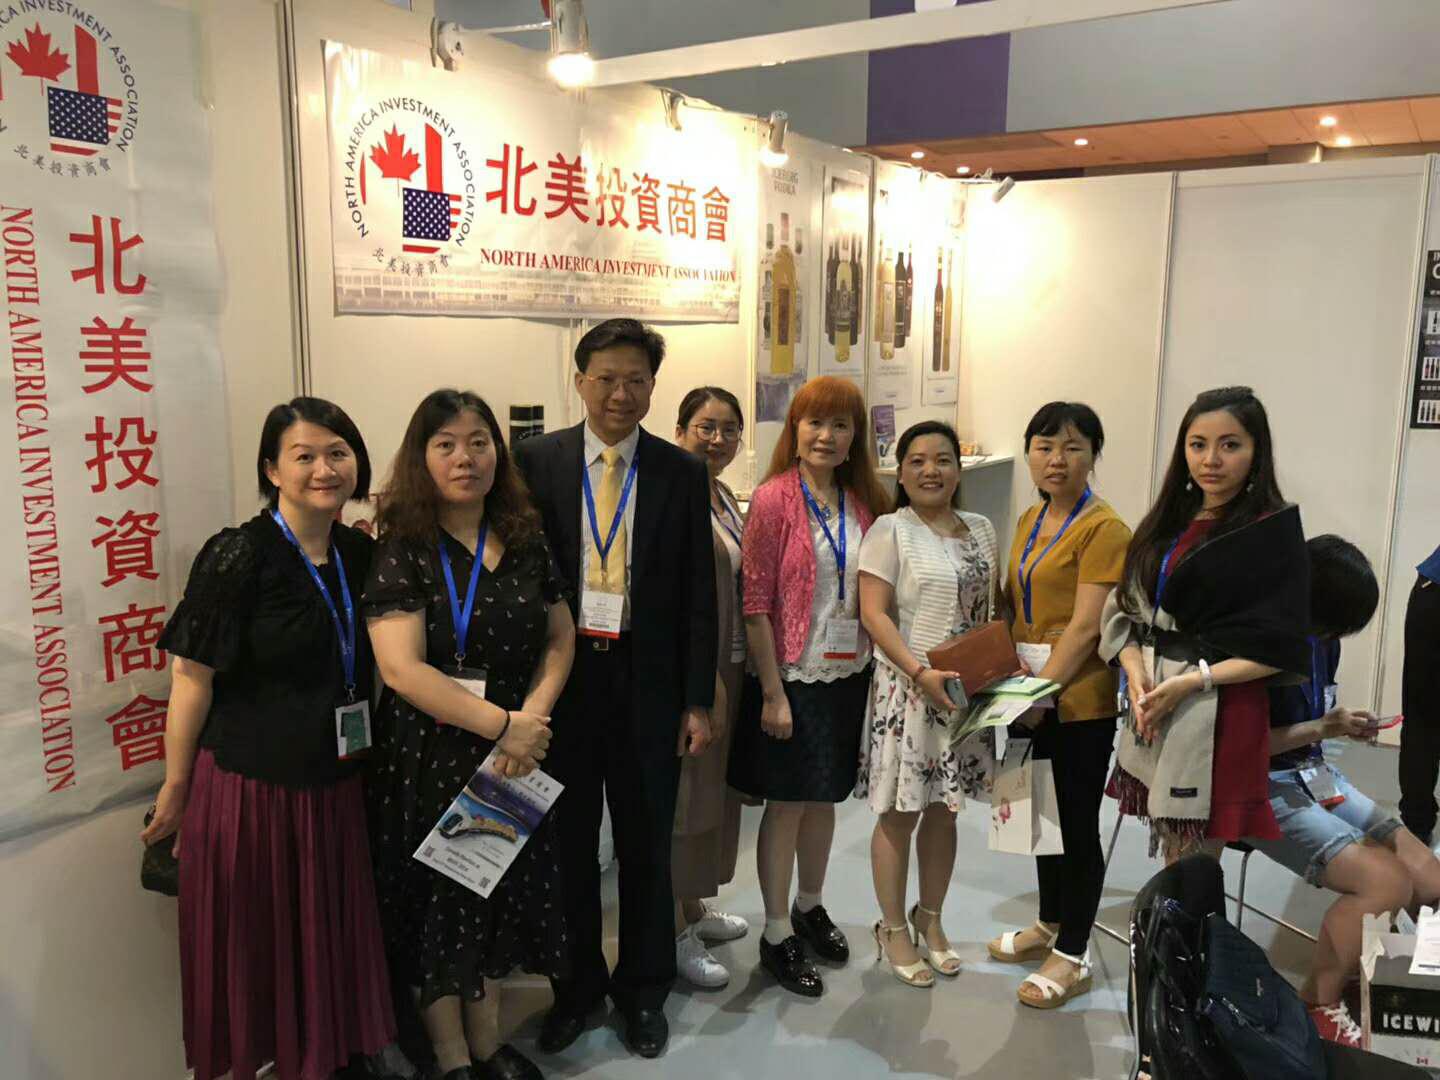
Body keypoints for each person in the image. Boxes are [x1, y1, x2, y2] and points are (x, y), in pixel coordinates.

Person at [141, 397, 397, 1080]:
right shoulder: (238, 554)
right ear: (272, 470)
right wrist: (177, 786)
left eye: (337, 453)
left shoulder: (360, 553)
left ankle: (325, 1061)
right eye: (304, 456)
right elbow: (191, 677)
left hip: (335, 786)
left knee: (322, 942)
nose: (324, 469)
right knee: (262, 947)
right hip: (253, 791)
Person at [513, 319, 716, 1060]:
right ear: (580, 381)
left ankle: (643, 991)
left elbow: (699, 591)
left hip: (647, 680)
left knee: (645, 844)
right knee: (566, 846)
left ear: (653, 387)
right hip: (563, 679)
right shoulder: (535, 462)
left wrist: (697, 699)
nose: (621, 394)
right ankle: (574, 991)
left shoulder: (680, 471)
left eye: (636, 380)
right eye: (606, 379)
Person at [364, 390, 574, 1080]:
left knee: (491, 895)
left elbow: (560, 636)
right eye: (446, 444)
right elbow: (401, 669)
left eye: (479, 442)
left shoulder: (524, 537)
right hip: (432, 752)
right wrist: (503, 726)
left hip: (513, 753)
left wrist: (531, 719)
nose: (465, 458)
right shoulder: (403, 547)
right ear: (421, 458)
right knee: (440, 906)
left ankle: (487, 1045)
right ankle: (452, 1057)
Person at [1101, 386, 1310, 862]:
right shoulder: (1168, 521)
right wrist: (1134, 670)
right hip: (1157, 697)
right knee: (1173, 853)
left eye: (1230, 445)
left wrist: (1193, 681)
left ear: (1257, 451)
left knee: (1193, 862)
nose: (1210, 459)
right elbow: (1126, 607)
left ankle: (1183, 915)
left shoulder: (1270, 532)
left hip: (1223, 711)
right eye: (1198, 444)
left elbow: (1278, 647)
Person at [731, 375, 890, 998]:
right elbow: (755, 604)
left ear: (855, 436)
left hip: (848, 673)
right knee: (787, 804)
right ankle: (775, 933)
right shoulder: (772, 499)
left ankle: (810, 905)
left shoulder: (865, 500)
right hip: (792, 675)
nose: (826, 435)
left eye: (840, 424)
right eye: (814, 422)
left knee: (824, 800)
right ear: (795, 429)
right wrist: (772, 692)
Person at [1250, 535, 1440, 1048]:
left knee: (1428, 877)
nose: (1333, 638)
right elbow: (1236, 750)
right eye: (1332, 626)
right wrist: (1322, 728)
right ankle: (1319, 1004)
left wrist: (1338, 725)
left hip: (1312, 773)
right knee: (1385, 884)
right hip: (1257, 786)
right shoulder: (1260, 644)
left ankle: (1383, 978)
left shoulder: (1321, 638)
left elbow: (1314, 722)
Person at [987, 403, 1132, 1009]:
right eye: (1044, 446)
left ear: (1093, 455)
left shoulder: (1106, 530)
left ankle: (1073, 953)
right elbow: (1012, 604)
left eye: (1073, 447)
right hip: (1024, 692)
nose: (1057, 459)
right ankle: (1049, 922)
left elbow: (1085, 628)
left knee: (1074, 824)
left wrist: (1037, 693)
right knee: (1034, 815)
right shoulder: (1030, 517)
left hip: (1076, 702)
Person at [856, 421, 998, 990]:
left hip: (967, 694)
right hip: (912, 690)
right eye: (916, 460)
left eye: (943, 459)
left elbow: (989, 608)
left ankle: (930, 918)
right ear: (900, 471)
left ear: (960, 470)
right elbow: (874, 614)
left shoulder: (982, 528)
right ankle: (892, 927)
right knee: (901, 813)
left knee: (946, 810)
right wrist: (920, 671)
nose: (931, 470)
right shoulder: (891, 530)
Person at [670, 386, 753, 988]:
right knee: (685, 801)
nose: (717, 440)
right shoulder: (672, 496)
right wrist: (700, 685)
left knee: (713, 798)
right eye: (705, 427)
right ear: (679, 431)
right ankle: (674, 932)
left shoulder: (722, 495)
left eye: (728, 429)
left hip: (732, 664)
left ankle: (695, 906)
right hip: (697, 673)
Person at [1399, 543, 1440, 843]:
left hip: (1432, 590)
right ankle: (1416, 824)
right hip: (1434, 591)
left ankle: (1416, 826)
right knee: (1422, 722)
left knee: (1421, 724)